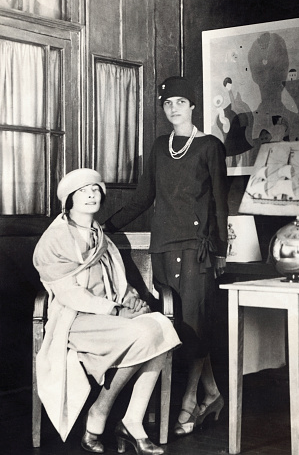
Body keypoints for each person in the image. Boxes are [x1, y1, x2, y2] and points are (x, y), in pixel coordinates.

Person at [103, 76, 229, 437]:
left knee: (195, 327)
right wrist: (106, 226)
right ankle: (213, 394)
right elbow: (143, 198)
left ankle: (190, 402)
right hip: (162, 248)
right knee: (176, 328)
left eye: (180, 103)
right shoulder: (160, 146)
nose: (173, 109)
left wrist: (220, 251)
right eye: (168, 104)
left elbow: (221, 203)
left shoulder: (209, 147)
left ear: (192, 106)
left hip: (196, 250)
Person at [33, 168, 181, 455]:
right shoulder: (54, 239)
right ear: (69, 200)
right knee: (143, 332)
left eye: (95, 189)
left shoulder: (101, 235)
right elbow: (70, 295)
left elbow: (117, 280)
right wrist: (116, 311)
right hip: (75, 320)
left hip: (108, 315)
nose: (91, 195)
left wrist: (133, 301)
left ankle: (132, 421)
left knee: (162, 327)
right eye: (82, 191)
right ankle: (98, 414)